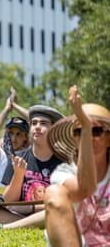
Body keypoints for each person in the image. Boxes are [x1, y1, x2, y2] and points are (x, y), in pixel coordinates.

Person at [0, 104, 65, 228]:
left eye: (43, 123)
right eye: (34, 123)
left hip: (49, 213)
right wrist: (18, 175)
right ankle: (31, 225)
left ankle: (7, 227)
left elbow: (64, 202)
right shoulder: (17, 158)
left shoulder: (63, 161)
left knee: (58, 211)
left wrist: (30, 208)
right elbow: (9, 200)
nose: (37, 127)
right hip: (23, 215)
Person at [44, 85, 110, 246]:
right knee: (54, 193)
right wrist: (86, 127)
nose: (88, 137)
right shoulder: (64, 172)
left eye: (96, 131)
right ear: (74, 139)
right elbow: (84, 189)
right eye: (79, 132)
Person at [0, 87, 29, 187]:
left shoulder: (30, 155)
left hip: (22, 202)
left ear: (25, 137)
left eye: (19, 134)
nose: (14, 138)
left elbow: (37, 120)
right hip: (1, 202)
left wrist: (15, 106)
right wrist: (7, 109)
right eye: (11, 133)